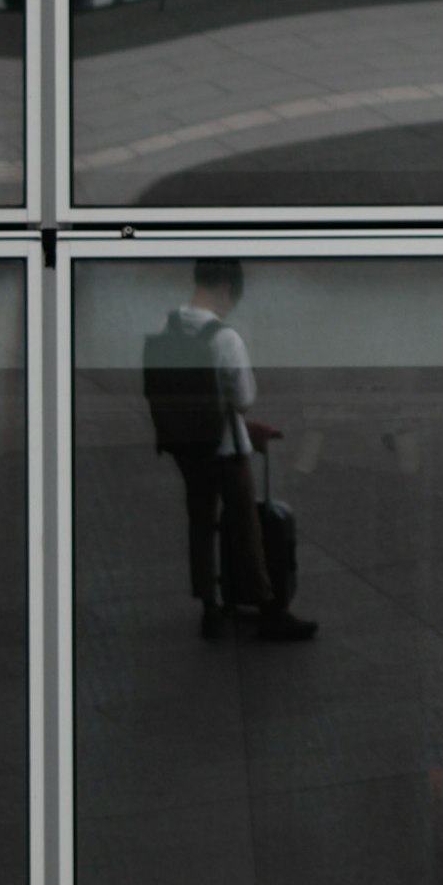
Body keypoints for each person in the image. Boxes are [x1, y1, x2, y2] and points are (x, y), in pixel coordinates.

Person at [141, 257, 316, 646]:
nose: (231, 304)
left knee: (201, 524)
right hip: (223, 447)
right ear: (225, 289)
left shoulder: (163, 326)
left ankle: (210, 604)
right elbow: (244, 398)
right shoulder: (224, 337)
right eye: (233, 297)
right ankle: (270, 608)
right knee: (245, 526)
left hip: (184, 446)